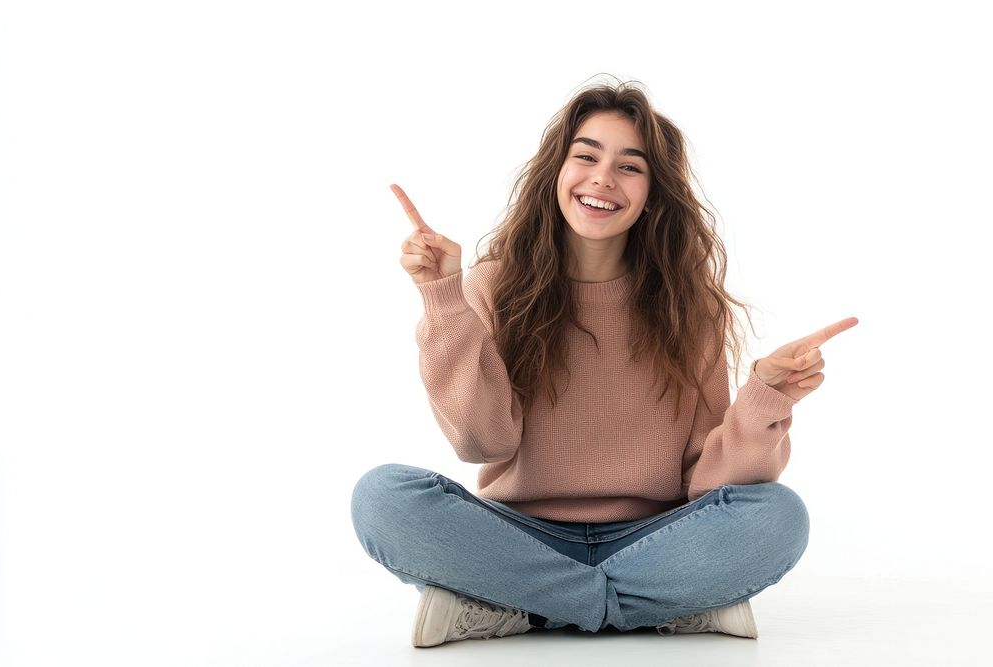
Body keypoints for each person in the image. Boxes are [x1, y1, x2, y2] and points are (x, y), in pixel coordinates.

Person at [350, 78, 858, 649]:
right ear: (556, 174)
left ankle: (519, 607)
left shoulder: (687, 306)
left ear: (653, 193)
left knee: (777, 515)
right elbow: (480, 444)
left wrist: (764, 397)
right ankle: (657, 606)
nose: (602, 179)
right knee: (382, 497)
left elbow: (707, 482)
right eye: (586, 156)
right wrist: (443, 296)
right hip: (518, 533)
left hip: (655, 537)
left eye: (630, 167)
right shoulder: (490, 286)